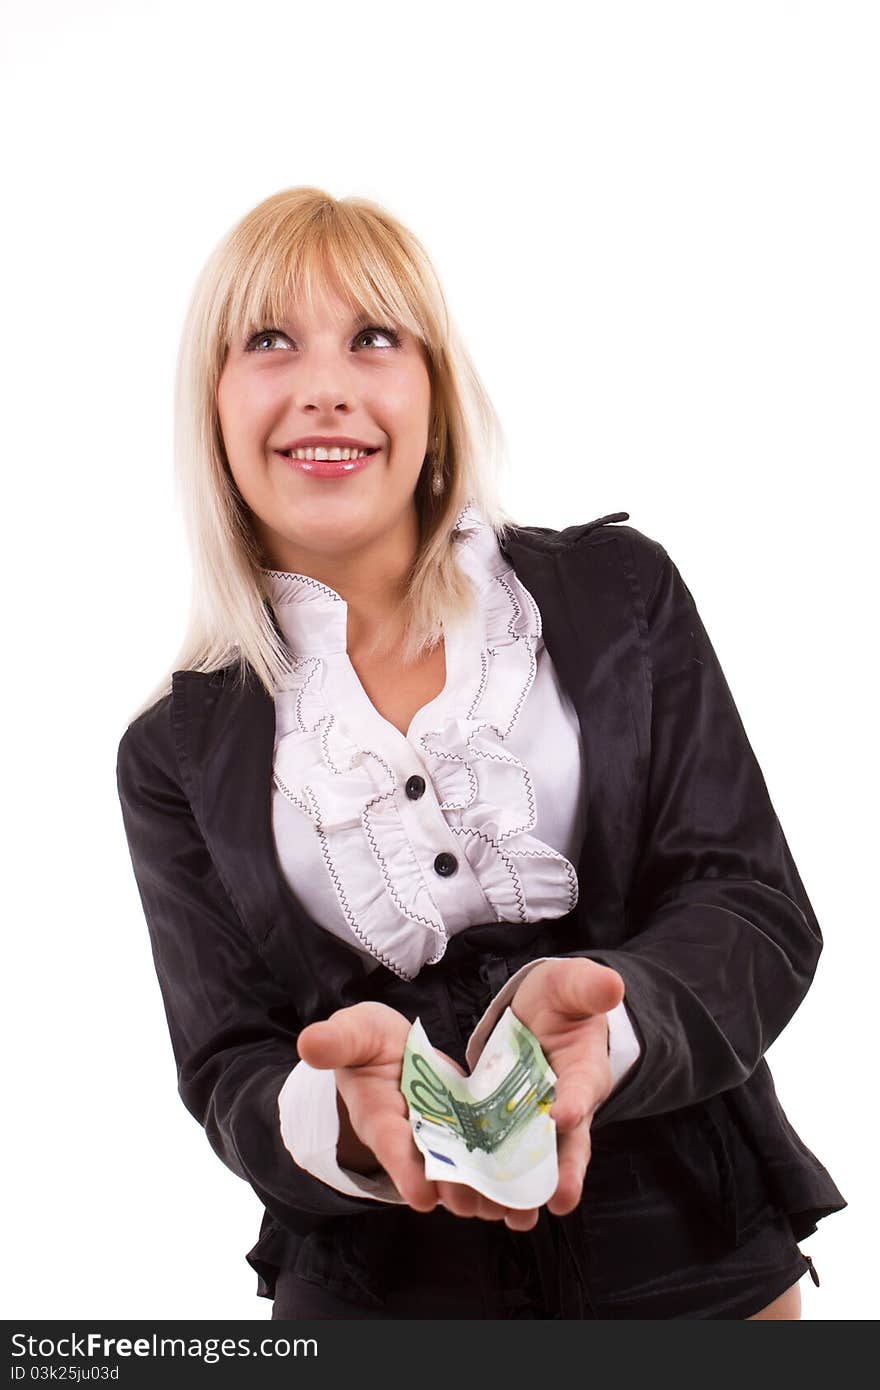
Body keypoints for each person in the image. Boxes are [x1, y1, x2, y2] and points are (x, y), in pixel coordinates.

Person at [116, 186, 847, 1320]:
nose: (325, 386)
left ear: (433, 388)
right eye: (268, 339)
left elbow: (750, 902)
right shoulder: (172, 752)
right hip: (381, 1286)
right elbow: (226, 1062)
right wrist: (342, 1113)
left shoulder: (618, 597)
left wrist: (610, 1025)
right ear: (208, 402)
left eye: (373, 337)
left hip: (695, 1249)